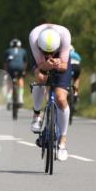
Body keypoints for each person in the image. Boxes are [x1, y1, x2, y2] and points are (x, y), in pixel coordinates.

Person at [28, 23, 73, 162]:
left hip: (61, 61)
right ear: (40, 47)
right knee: (40, 78)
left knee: (61, 99)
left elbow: (65, 66)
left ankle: (62, 141)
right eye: (45, 52)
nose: (48, 55)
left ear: (57, 47)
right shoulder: (34, 37)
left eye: (51, 52)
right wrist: (47, 64)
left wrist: (58, 63)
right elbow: (41, 66)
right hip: (41, 63)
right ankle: (36, 115)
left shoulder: (65, 35)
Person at [3, 38, 28, 110]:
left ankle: (8, 100)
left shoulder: (7, 51)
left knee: (9, 82)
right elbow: (25, 62)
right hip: (20, 67)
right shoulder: (23, 51)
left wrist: (5, 72)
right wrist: (24, 70)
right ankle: (20, 98)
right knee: (20, 79)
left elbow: (5, 63)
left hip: (11, 67)